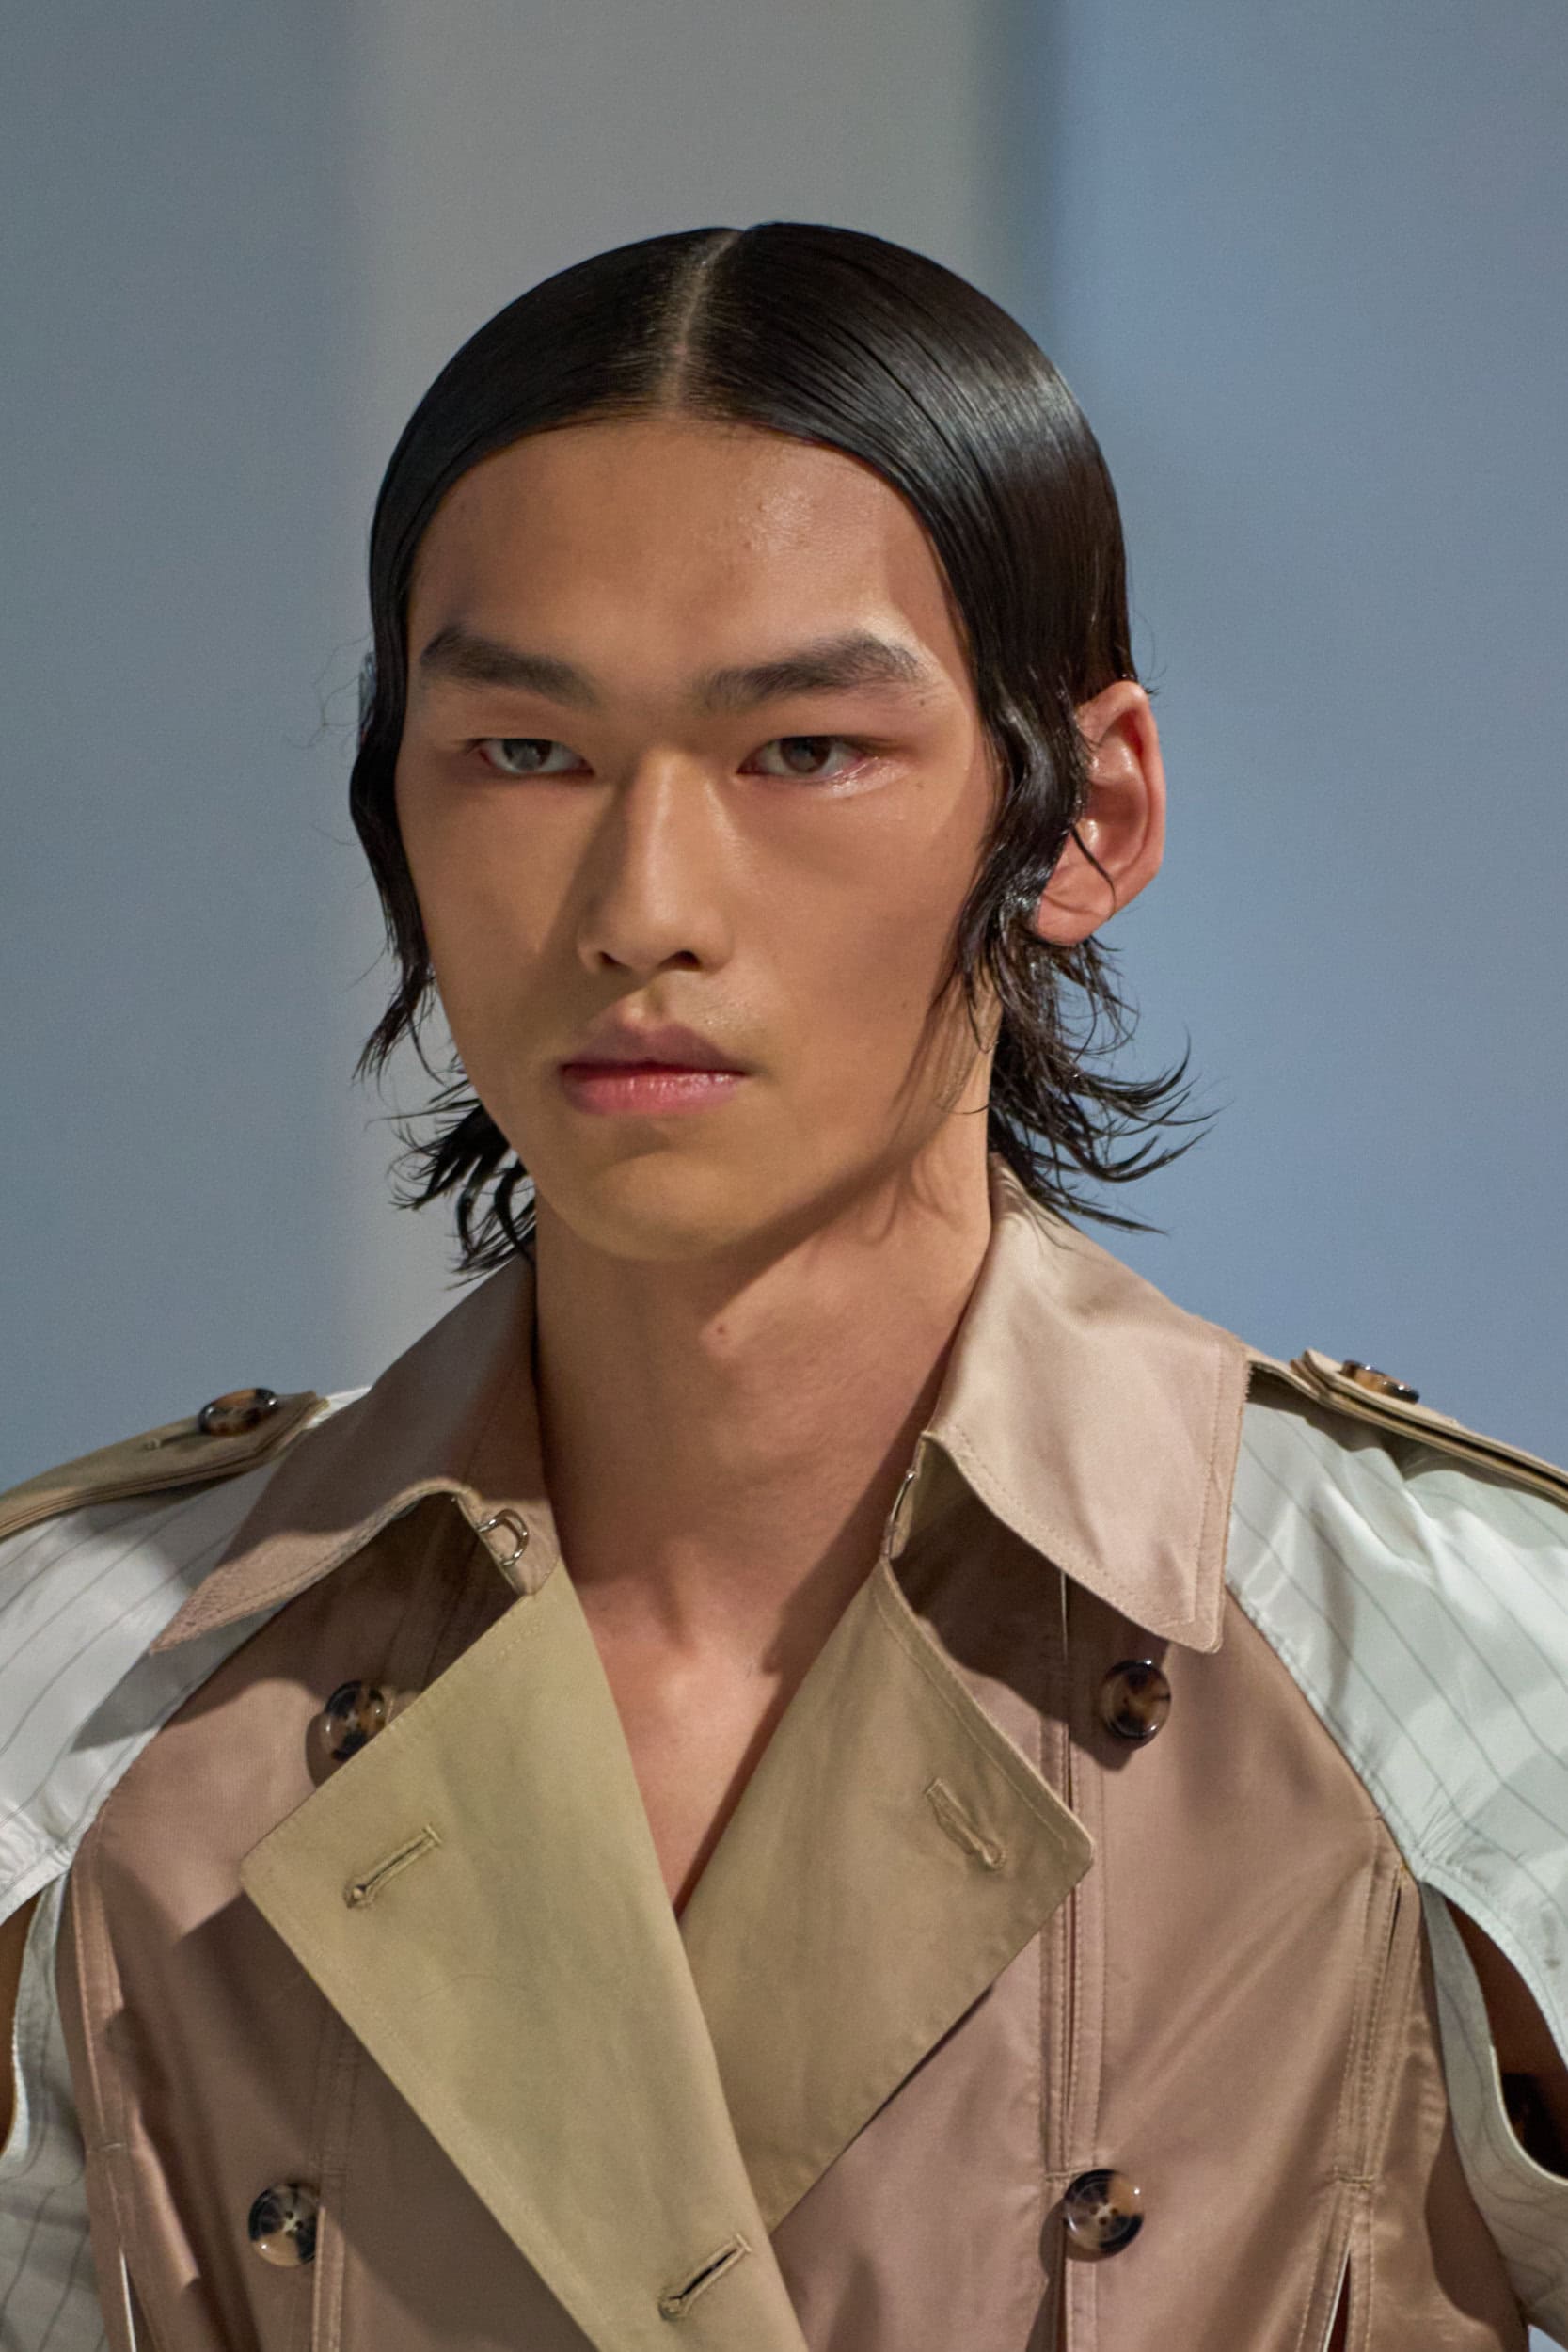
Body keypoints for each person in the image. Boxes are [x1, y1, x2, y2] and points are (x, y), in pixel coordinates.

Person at [1, 221, 1563, 2352]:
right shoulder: (79, 1704)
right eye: (523, 751)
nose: (643, 904)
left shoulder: (1444, 1664)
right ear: (394, 809)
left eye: (805, 750)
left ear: (1085, 817)